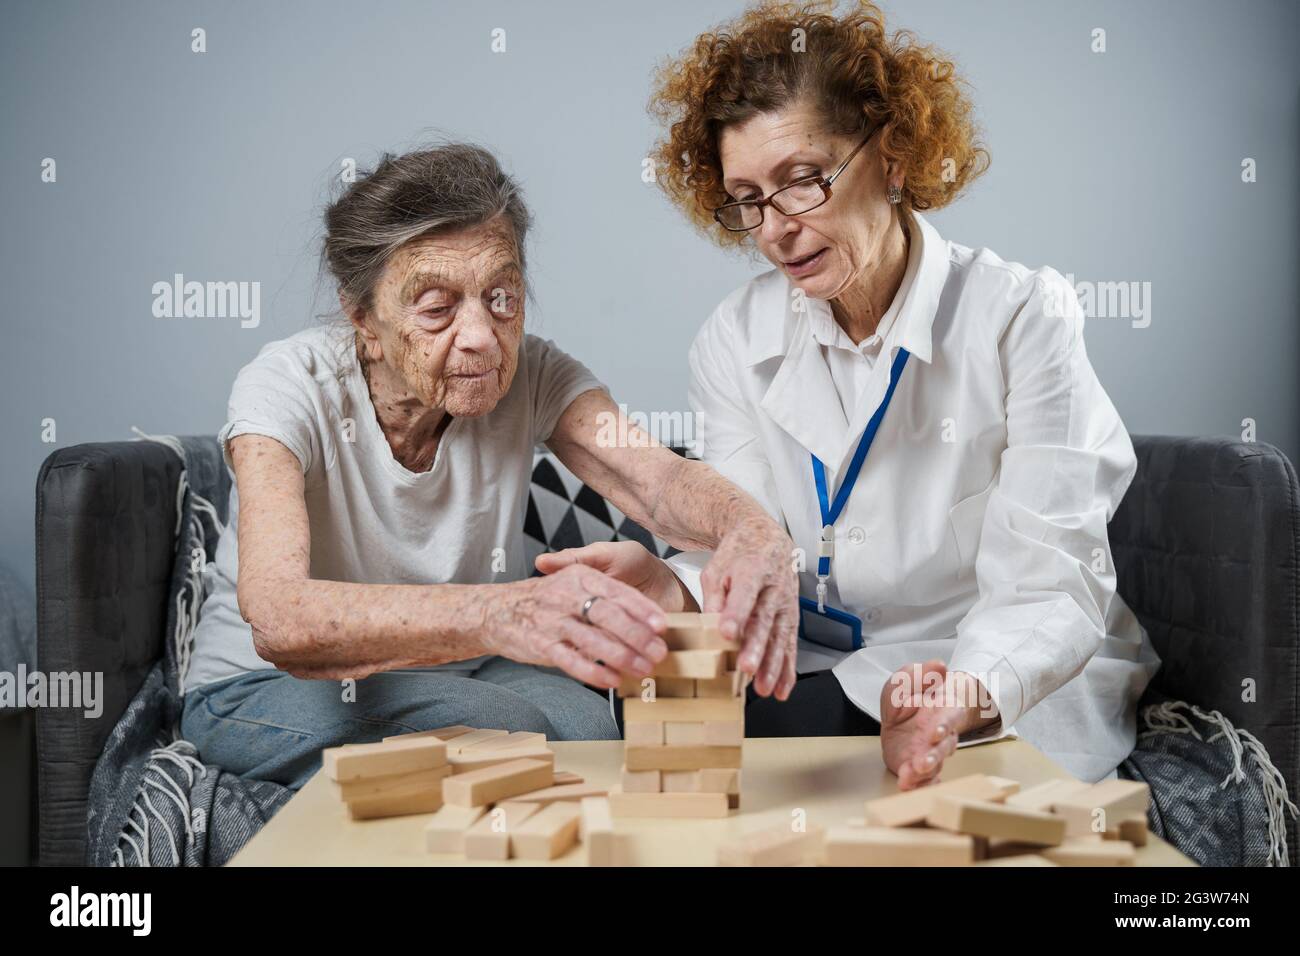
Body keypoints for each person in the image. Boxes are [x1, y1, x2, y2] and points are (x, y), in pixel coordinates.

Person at [554, 0, 1159, 788]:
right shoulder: (735, 339)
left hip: (989, 659)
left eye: (803, 180)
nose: (774, 230)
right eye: (748, 198)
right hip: (828, 661)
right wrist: (675, 585)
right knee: (673, 749)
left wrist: (963, 694)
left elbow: (1052, 582)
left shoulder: (1019, 316)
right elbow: (748, 535)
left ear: (895, 157)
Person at [180, 143, 797, 789]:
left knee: (592, 734)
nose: (480, 335)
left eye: (502, 296)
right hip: (256, 687)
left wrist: (751, 531)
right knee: (498, 731)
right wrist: (507, 611)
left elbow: (660, 478)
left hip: (464, 666)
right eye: (437, 307)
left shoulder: (533, 372)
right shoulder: (285, 385)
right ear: (362, 316)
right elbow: (281, 618)